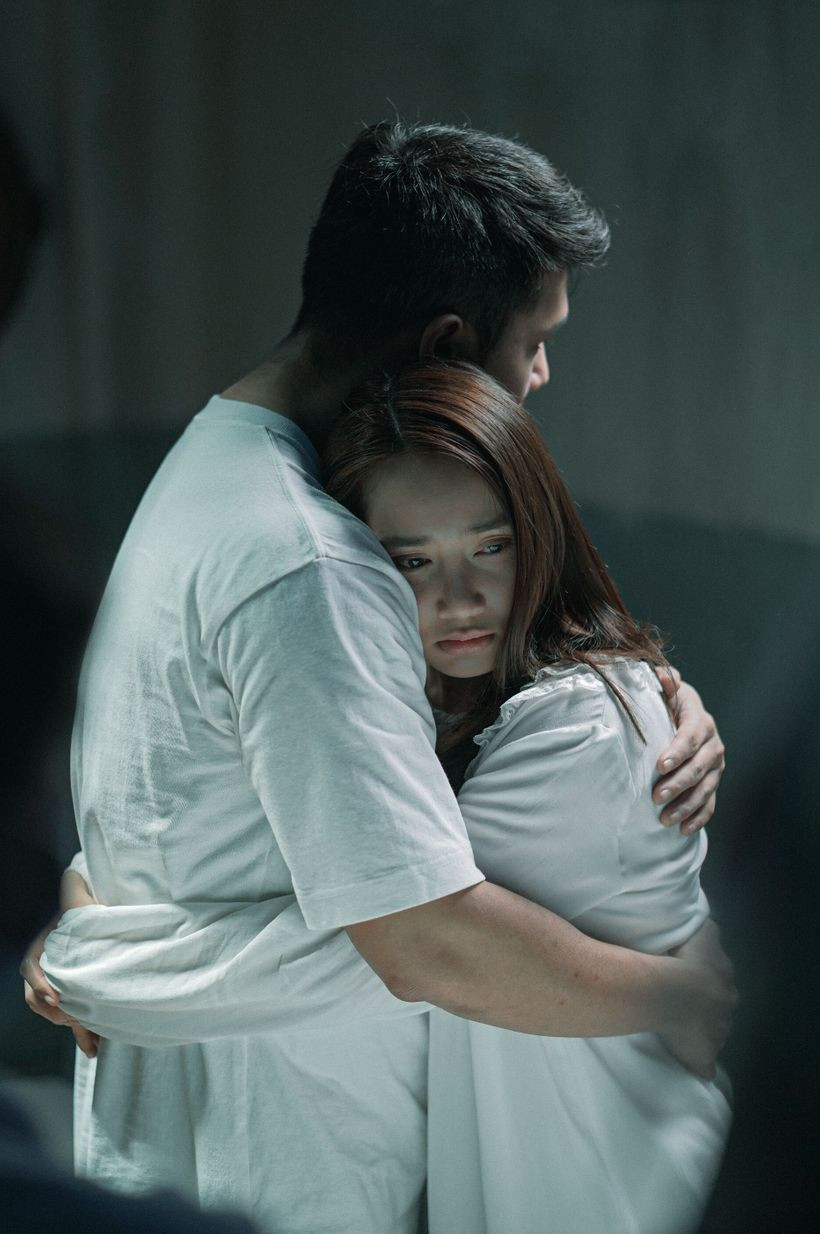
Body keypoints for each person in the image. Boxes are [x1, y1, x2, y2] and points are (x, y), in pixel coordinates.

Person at [22, 122, 732, 1234]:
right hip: (283, 1163)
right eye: (534, 340)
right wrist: (689, 992)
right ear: (446, 343)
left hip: (202, 1132)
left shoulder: (212, 469)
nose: (540, 374)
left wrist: (648, 692)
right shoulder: (310, 564)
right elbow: (426, 939)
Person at [323, 361, 732, 1234]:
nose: (458, 598)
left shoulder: (580, 722)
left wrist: (113, 928)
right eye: (411, 561)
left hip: (622, 1187)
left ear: (537, 533)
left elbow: (391, 932)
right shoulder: (470, 707)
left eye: (491, 546)